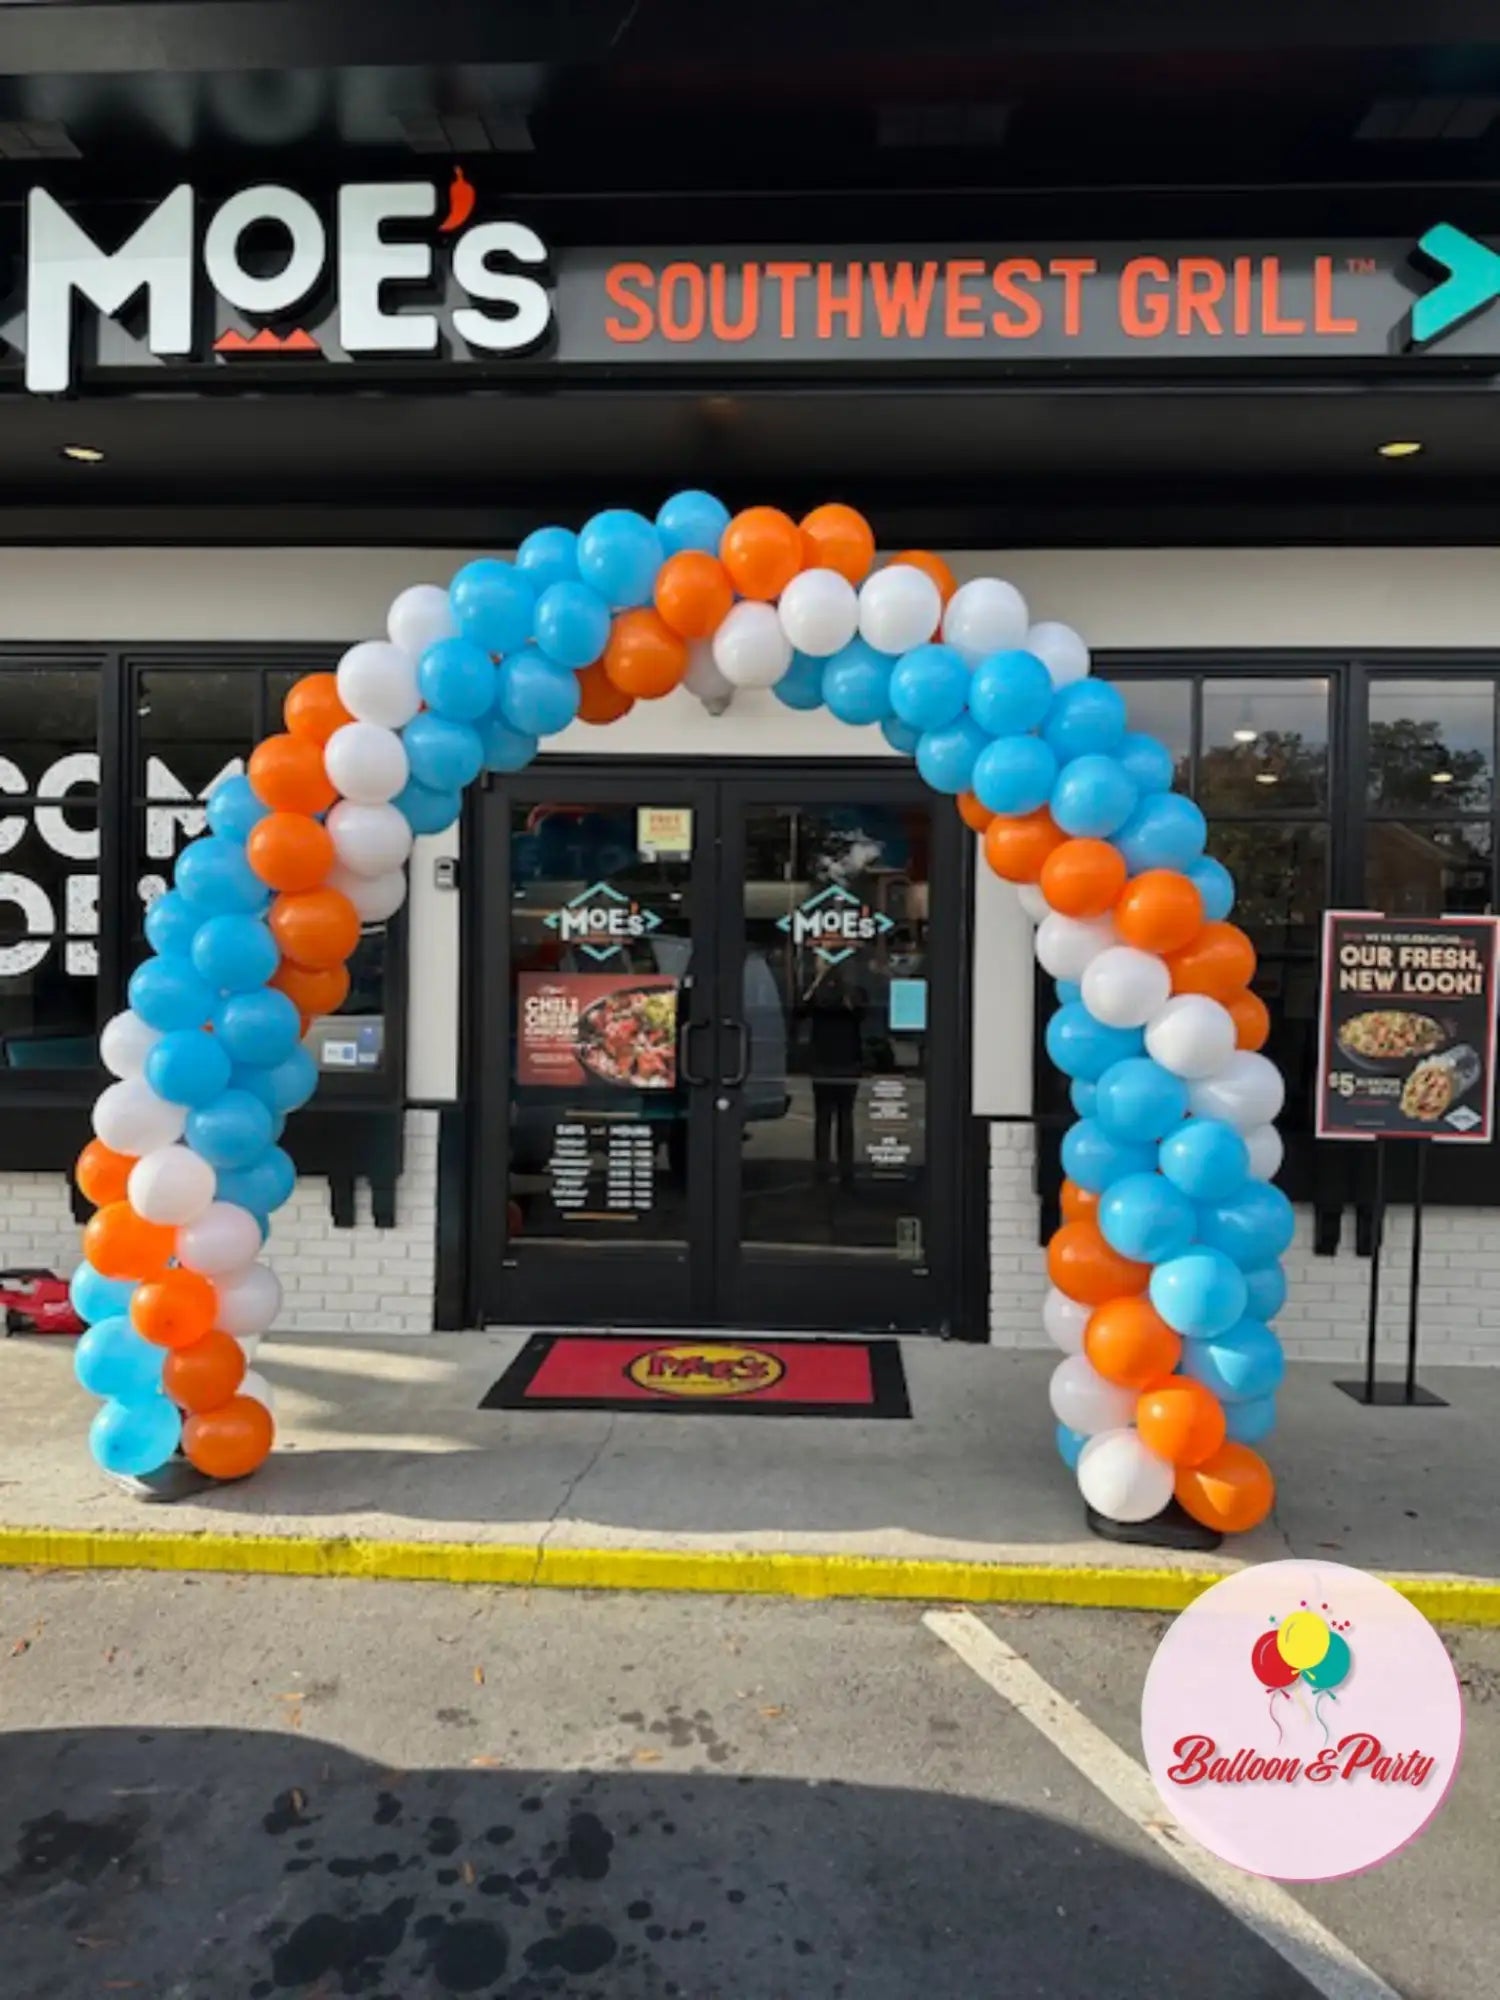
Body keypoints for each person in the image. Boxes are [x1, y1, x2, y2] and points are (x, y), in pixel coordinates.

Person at [799, 962, 863, 1186]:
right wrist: (817, 984)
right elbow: (800, 1011)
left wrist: (827, 985)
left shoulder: (847, 995)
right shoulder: (821, 996)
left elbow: (860, 1010)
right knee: (830, 1119)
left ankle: (839, 1170)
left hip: (838, 1061)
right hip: (833, 1061)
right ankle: (827, 1170)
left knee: (836, 1119)